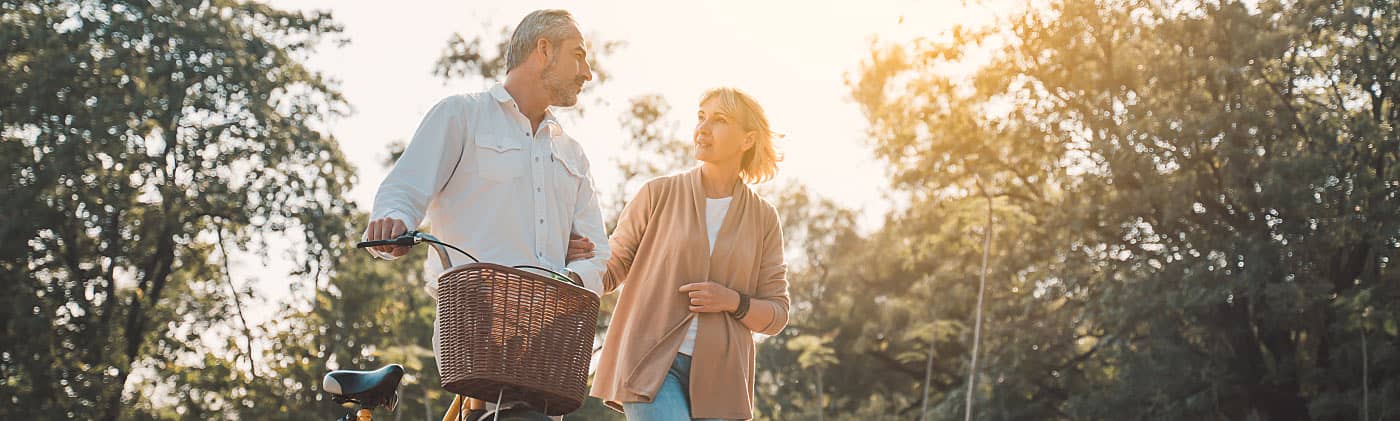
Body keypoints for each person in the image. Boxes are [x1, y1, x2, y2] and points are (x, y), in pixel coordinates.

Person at [361, 9, 608, 419]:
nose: (587, 72)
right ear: (544, 49)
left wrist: (570, 279)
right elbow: (403, 190)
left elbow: (598, 252)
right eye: (578, 55)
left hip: (549, 345)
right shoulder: (461, 115)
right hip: (477, 328)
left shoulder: (572, 154)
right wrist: (393, 223)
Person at [585, 87, 791, 420]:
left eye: (719, 120)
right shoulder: (657, 194)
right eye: (700, 117)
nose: (703, 129)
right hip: (649, 363)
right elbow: (611, 268)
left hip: (723, 381)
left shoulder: (764, 218)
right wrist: (577, 257)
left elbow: (777, 313)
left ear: (748, 140)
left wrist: (732, 301)